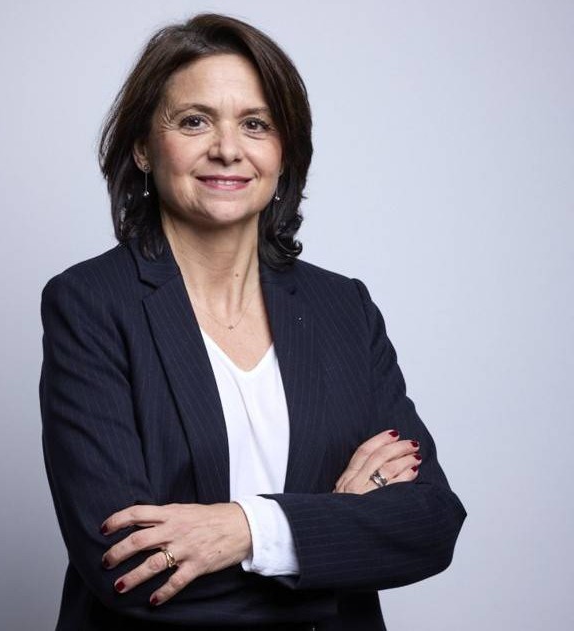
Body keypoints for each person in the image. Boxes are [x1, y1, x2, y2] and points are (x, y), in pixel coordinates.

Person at [39, 13, 466, 631]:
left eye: (256, 124)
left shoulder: (343, 307)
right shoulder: (90, 303)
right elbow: (128, 568)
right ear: (142, 147)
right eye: (194, 121)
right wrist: (330, 535)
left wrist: (245, 529)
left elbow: (431, 521)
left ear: (284, 152)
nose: (227, 148)